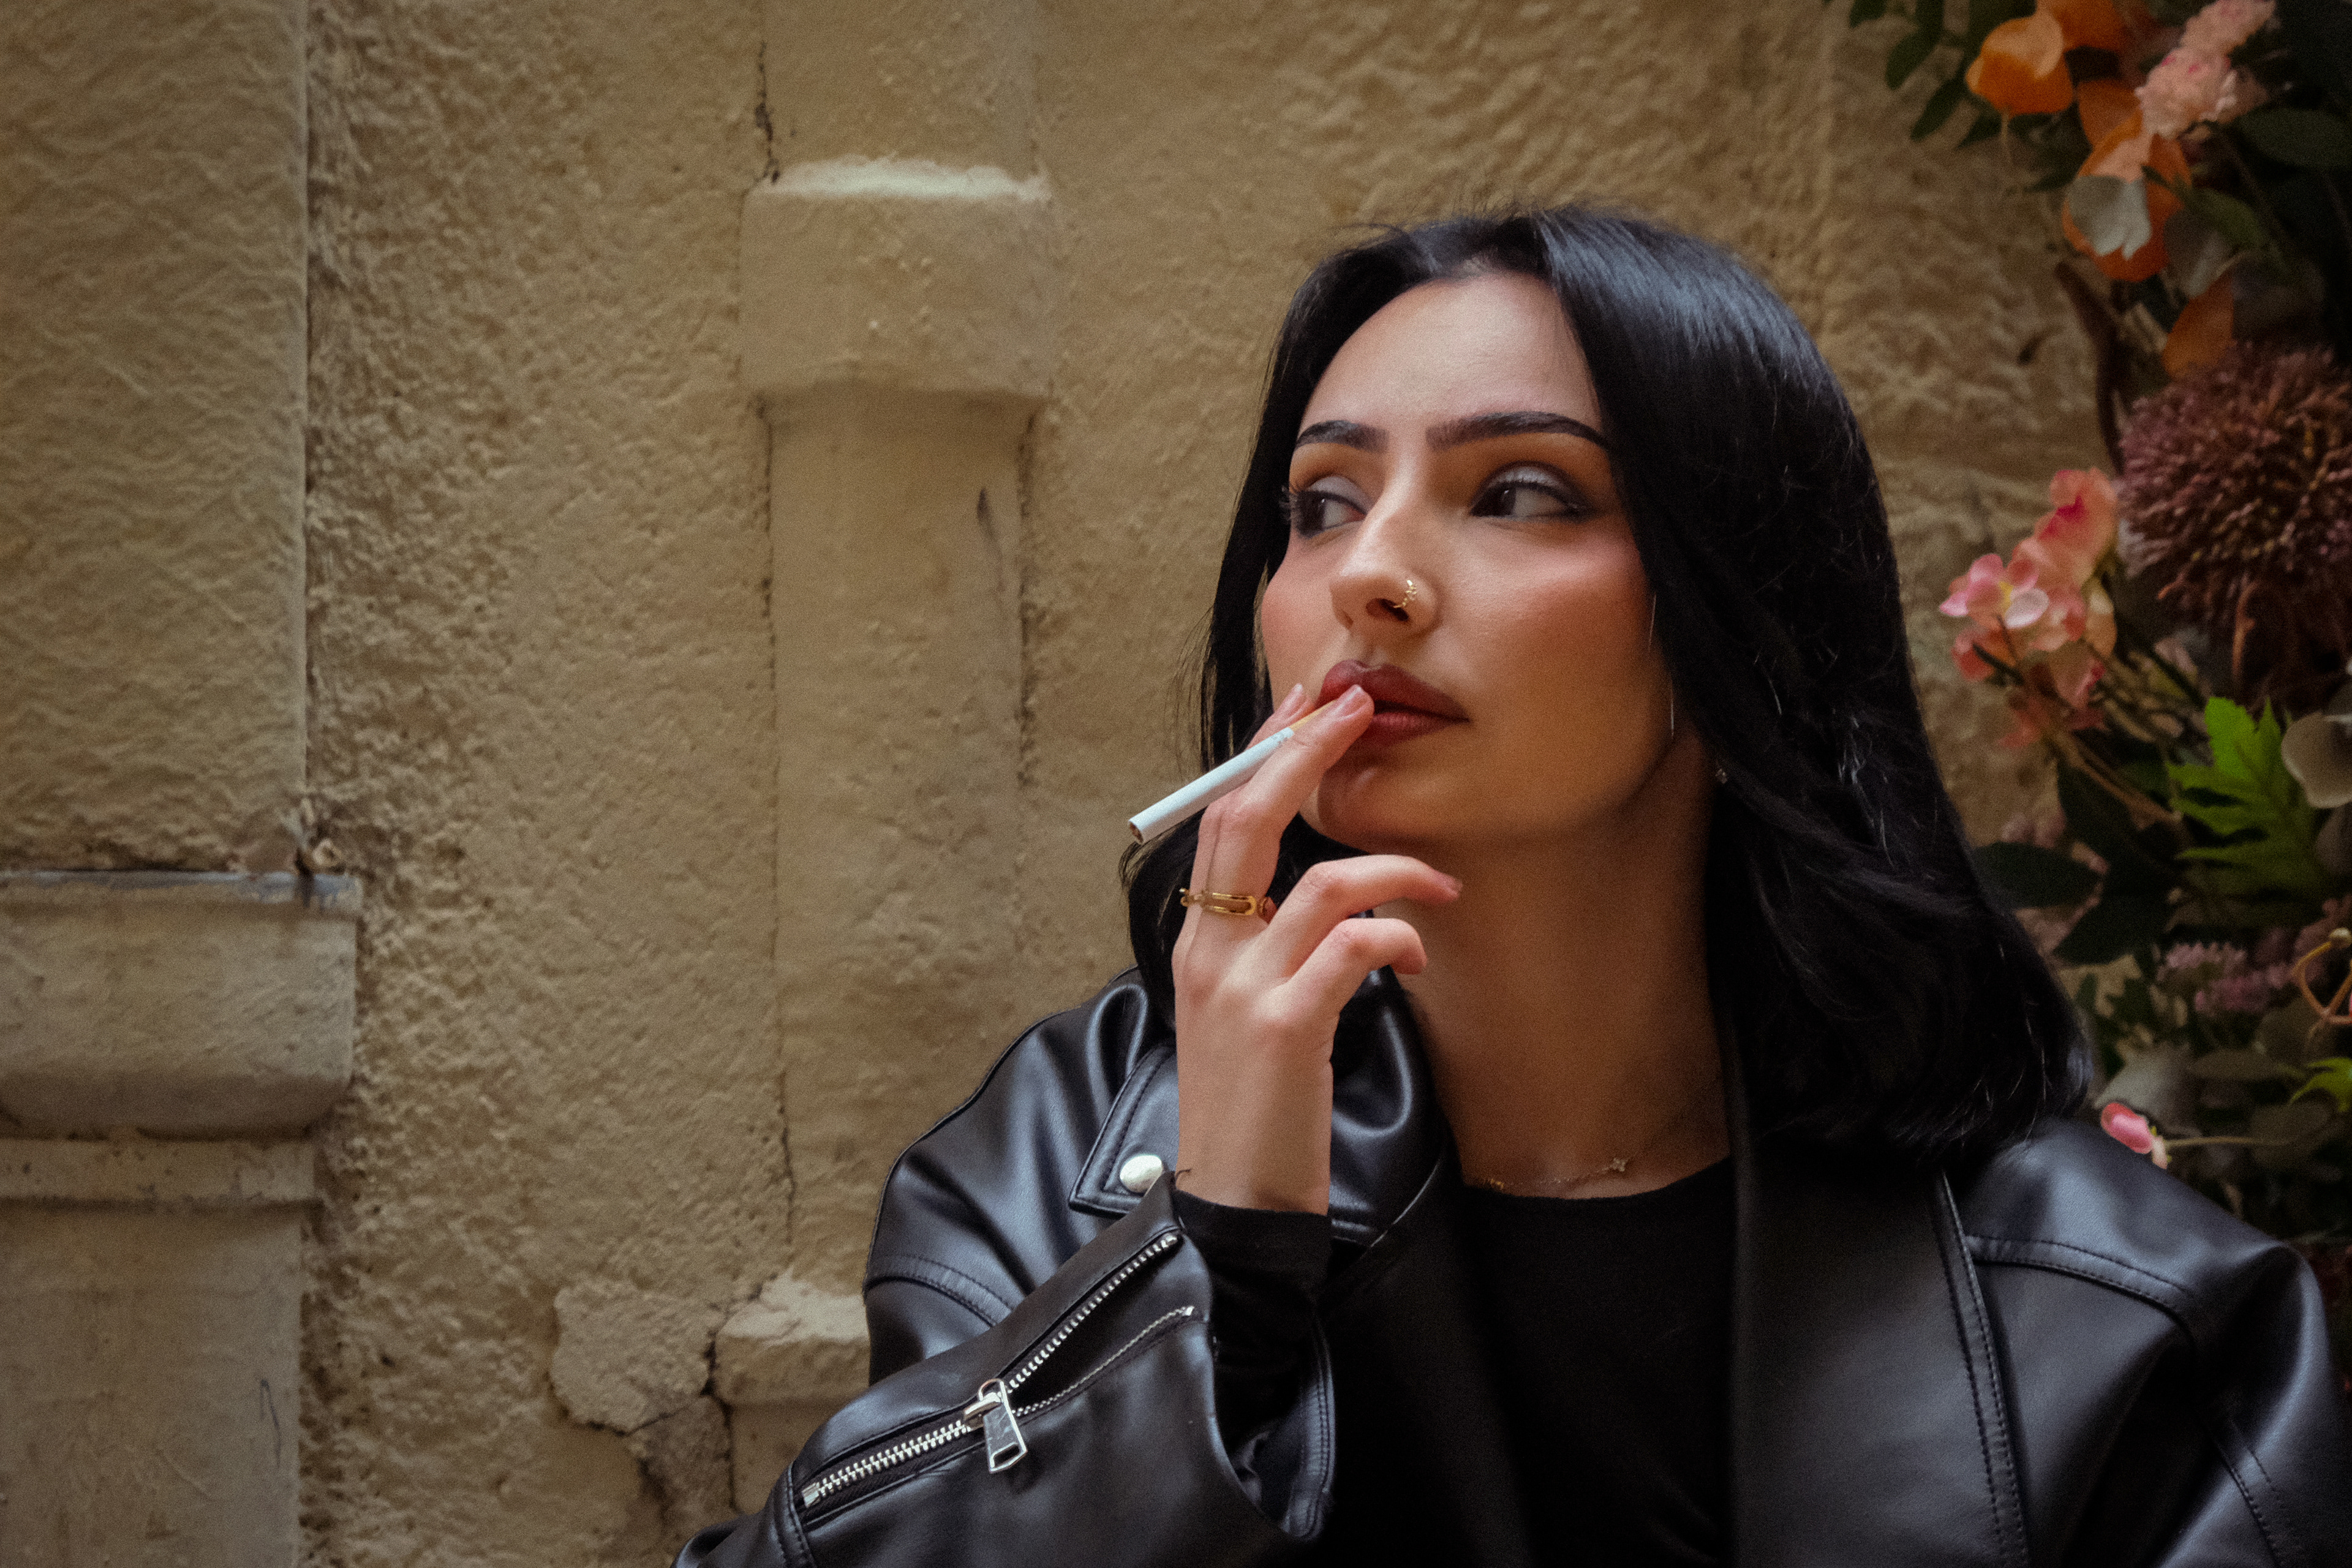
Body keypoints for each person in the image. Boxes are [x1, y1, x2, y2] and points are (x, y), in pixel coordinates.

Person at [676, 207, 2352, 1567]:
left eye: (1522, 492)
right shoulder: (1050, 1163)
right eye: (1322, 503)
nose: (1373, 576)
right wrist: (1215, 1258)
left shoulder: (2130, 1315)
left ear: (1739, 618)